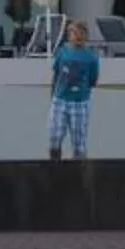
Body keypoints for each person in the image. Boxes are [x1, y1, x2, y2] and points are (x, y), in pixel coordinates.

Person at [47, 19, 102, 161]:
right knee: (54, 136)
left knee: (79, 143)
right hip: (60, 100)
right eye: (75, 33)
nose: (78, 36)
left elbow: (92, 80)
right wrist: (53, 97)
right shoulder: (62, 53)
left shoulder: (91, 58)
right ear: (69, 35)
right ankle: (54, 165)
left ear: (86, 36)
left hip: (80, 102)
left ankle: (79, 173)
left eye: (81, 33)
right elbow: (56, 75)